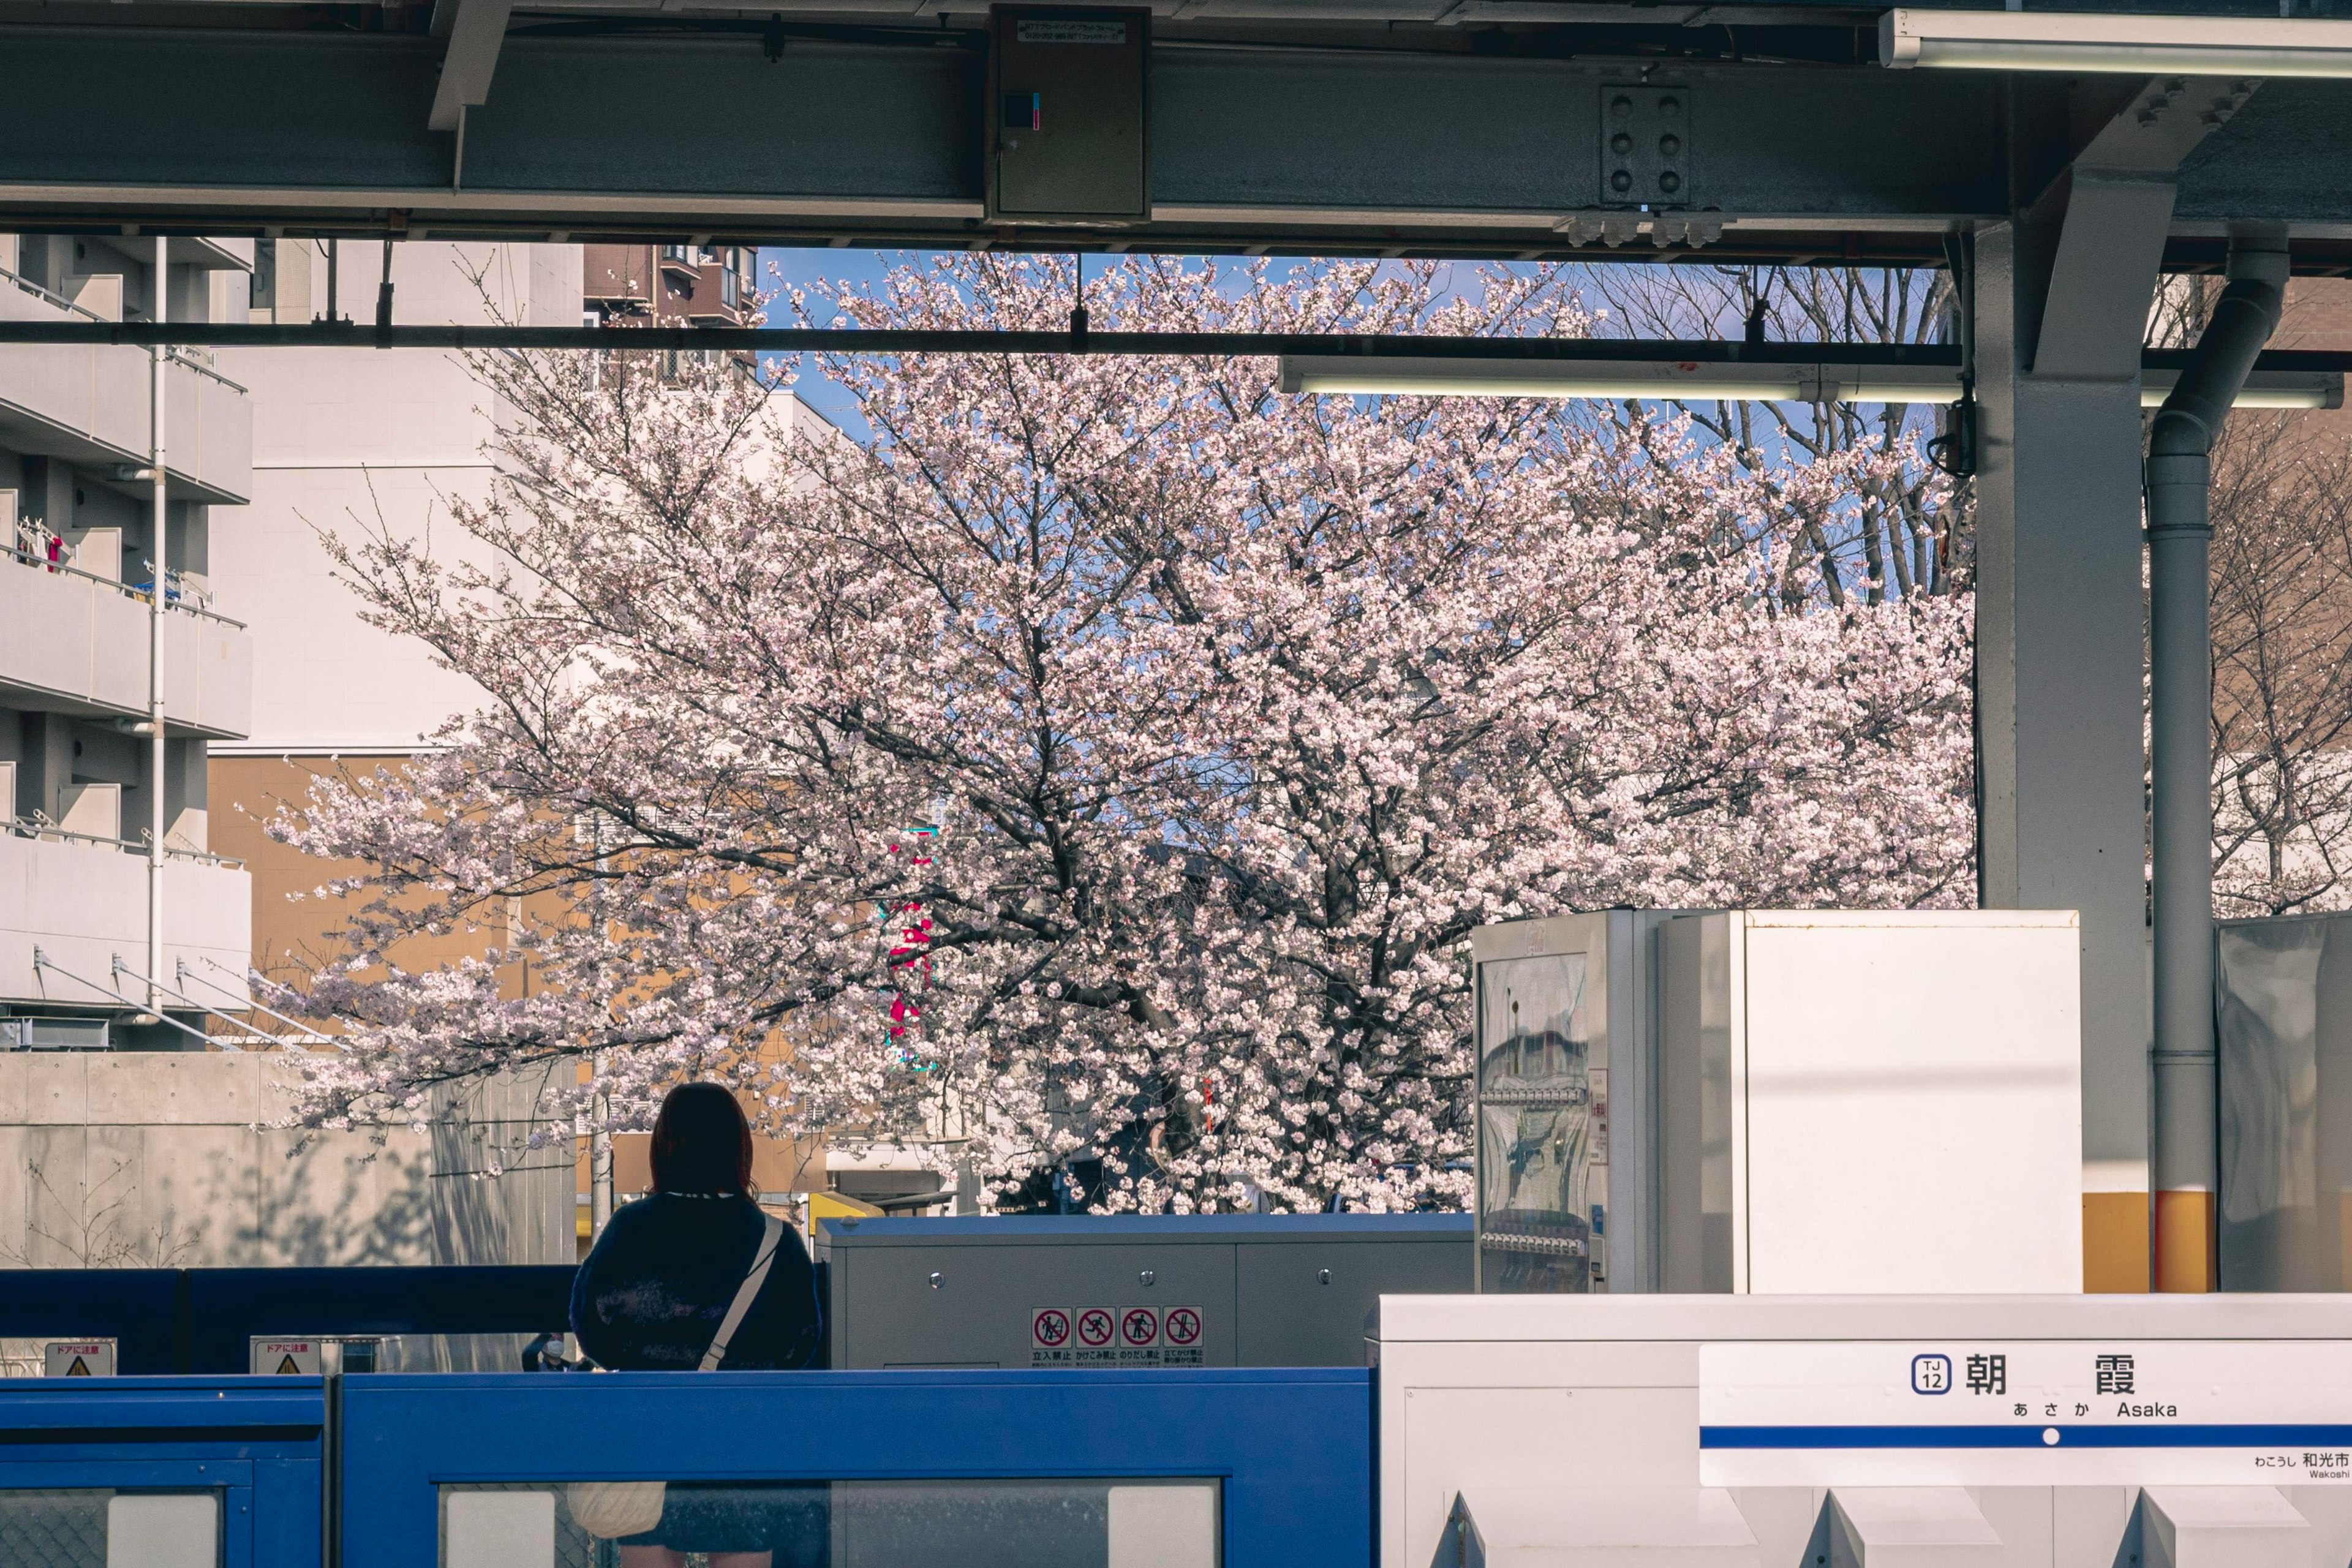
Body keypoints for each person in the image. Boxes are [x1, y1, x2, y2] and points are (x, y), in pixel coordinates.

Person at [570, 1082, 825, 1568]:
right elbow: (799, 1345)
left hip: (650, 1433)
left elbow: (593, 1329)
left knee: (646, 1549)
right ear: (739, 1148)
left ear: (664, 1147)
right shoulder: (778, 1239)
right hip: (745, 1436)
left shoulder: (631, 1229)